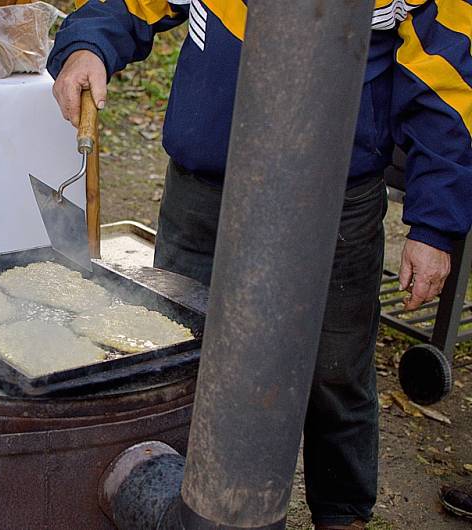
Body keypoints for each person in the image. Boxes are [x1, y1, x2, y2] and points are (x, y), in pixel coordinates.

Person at [47, 1, 472, 528]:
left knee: (334, 372)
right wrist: (88, 44)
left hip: (332, 200)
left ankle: (342, 516)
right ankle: (174, 499)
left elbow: (447, 88)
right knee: (178, 357)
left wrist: (434, 228)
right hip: (205, 192)